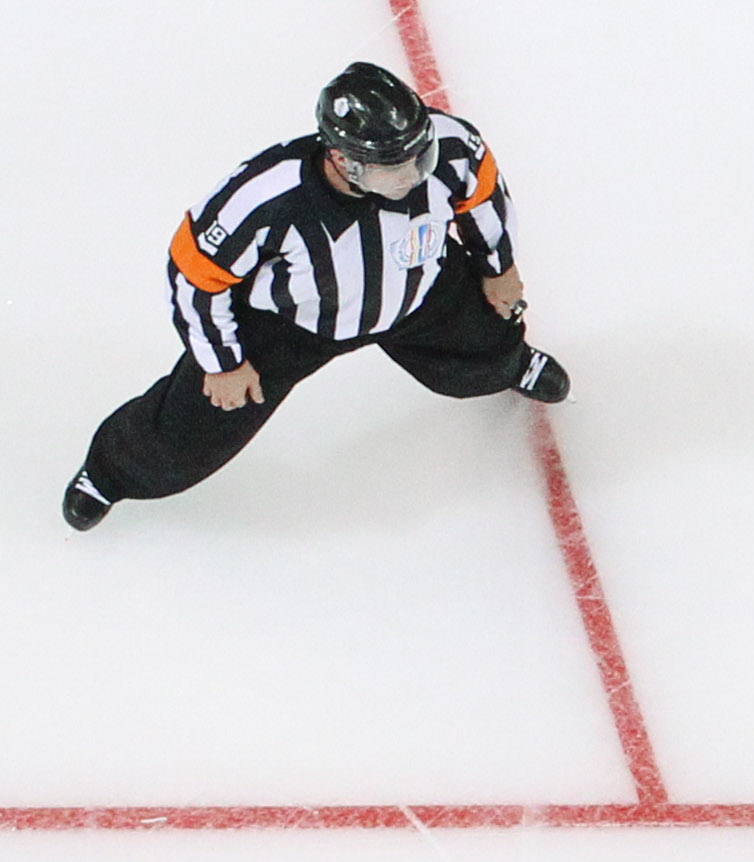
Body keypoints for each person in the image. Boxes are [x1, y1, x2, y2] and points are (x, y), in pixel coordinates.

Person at [64, 62, 567, 533]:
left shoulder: (451, 147)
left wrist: (498, 267)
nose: (415, 175)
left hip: (421, 293)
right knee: (186, 435)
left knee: (487, 349)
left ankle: (512, 365)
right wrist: (222, 363)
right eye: (395, 168)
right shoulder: (263, 196)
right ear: (342, 159)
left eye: (421, 157)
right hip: (291, 324)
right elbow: (195, 276)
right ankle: (108, 474)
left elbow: (483, 200)